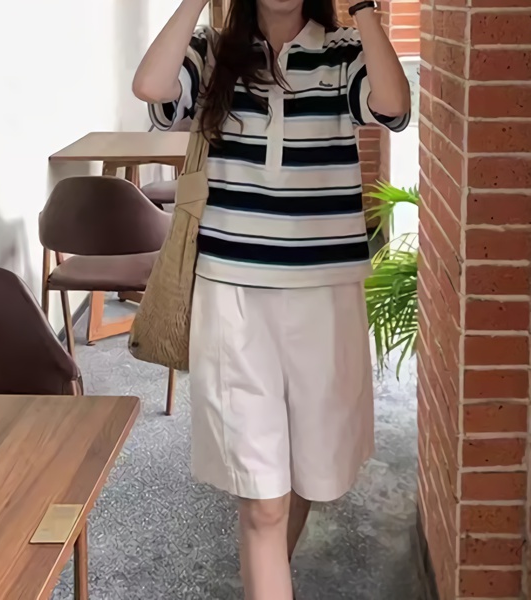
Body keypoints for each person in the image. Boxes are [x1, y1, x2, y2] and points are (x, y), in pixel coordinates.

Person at [133, 0, 410, 597]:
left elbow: (392, 102)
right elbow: (151, 87)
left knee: (306, 476)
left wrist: (362, 9)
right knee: (262, 502)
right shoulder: (213, 53)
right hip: (233, 298)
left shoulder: (342, 53)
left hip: (324, 299)